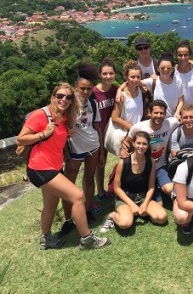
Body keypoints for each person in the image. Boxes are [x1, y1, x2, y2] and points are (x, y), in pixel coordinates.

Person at [17, 83, 110, 250]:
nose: (64, 99)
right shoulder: (40, 115)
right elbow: (20, 139)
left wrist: (69, 133)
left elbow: (63, 138)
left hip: (53, 166)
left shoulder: (63, 116)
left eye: (68, 97)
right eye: (60, 96)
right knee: (77, 197)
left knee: (51, 205)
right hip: (40, 168)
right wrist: (43, 134)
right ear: (53, 97)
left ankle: (45, 239)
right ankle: (87, 239)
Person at [60, 63, 102, 235]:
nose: (85, 92)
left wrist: (101, 151)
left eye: (88, 89)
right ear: (76, 88)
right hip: (75, 149)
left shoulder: (93, 102)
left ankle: (87, 209)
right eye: (82, 88)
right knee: (68, 185)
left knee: (89, 178)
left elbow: (97, 126)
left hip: (92, 145)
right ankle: (69, 219)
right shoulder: (68, 104)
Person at [100, 131, 167, 232]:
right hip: (125, 198)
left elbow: (151, 186)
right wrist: (131, 204)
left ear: (148, 145)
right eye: (138, 143)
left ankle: (139, 211)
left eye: (144, 144)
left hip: (142, 197)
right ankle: (112, 215)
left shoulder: (150, 161)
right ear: (134, 144)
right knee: (125, 223)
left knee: (162, 218)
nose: (141, 146)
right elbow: (117, 188)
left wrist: (145, 204)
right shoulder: (123, 162)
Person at [120, 100, 179, 198]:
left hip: (160, 166)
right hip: (143, 168)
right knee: (155, 199)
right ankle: (155, 191)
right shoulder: (138, 127)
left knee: (170, 189)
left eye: (162, 113)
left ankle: (160, 188)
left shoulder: (170, 123)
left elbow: (188, 119)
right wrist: (124, 151)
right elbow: (126, 142)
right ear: (149, 112)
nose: (159, 116)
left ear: (165, 114)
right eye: (156, 112)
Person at [105, 60, 148, 156]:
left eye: (138, 77)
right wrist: (133, 129)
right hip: (126, 133)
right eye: (132, 77)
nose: (135, 80)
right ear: (126, 77)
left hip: (137, 132)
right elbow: (115, 117)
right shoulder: (122, 96)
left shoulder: (141, 90)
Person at [92, 58, 118, 200]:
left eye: (111, 73)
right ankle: (101, 191)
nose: (108, 76)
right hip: (97, 133)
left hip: (111, 132)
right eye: (105, 73)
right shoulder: (94, 92)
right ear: (100, 74)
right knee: (100, 163)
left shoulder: (115, 89)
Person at [142, 53, 184, 119]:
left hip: (173, 120)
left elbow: (181, 100)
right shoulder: (153, 81)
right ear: (158, 69)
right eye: (162, 68)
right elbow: (133, 82)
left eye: (169, 68)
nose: (165, 70)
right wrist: (120, 90)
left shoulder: (178, 82)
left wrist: (177, 112)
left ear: (173, 69)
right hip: (157, 120)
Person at [174, 41, 193, 116]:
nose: (183, 58)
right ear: (176, 56)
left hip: (192, 113)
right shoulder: (172, 72)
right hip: (176, 113)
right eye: (180, 55)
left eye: (186, 55)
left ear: (190, 56)